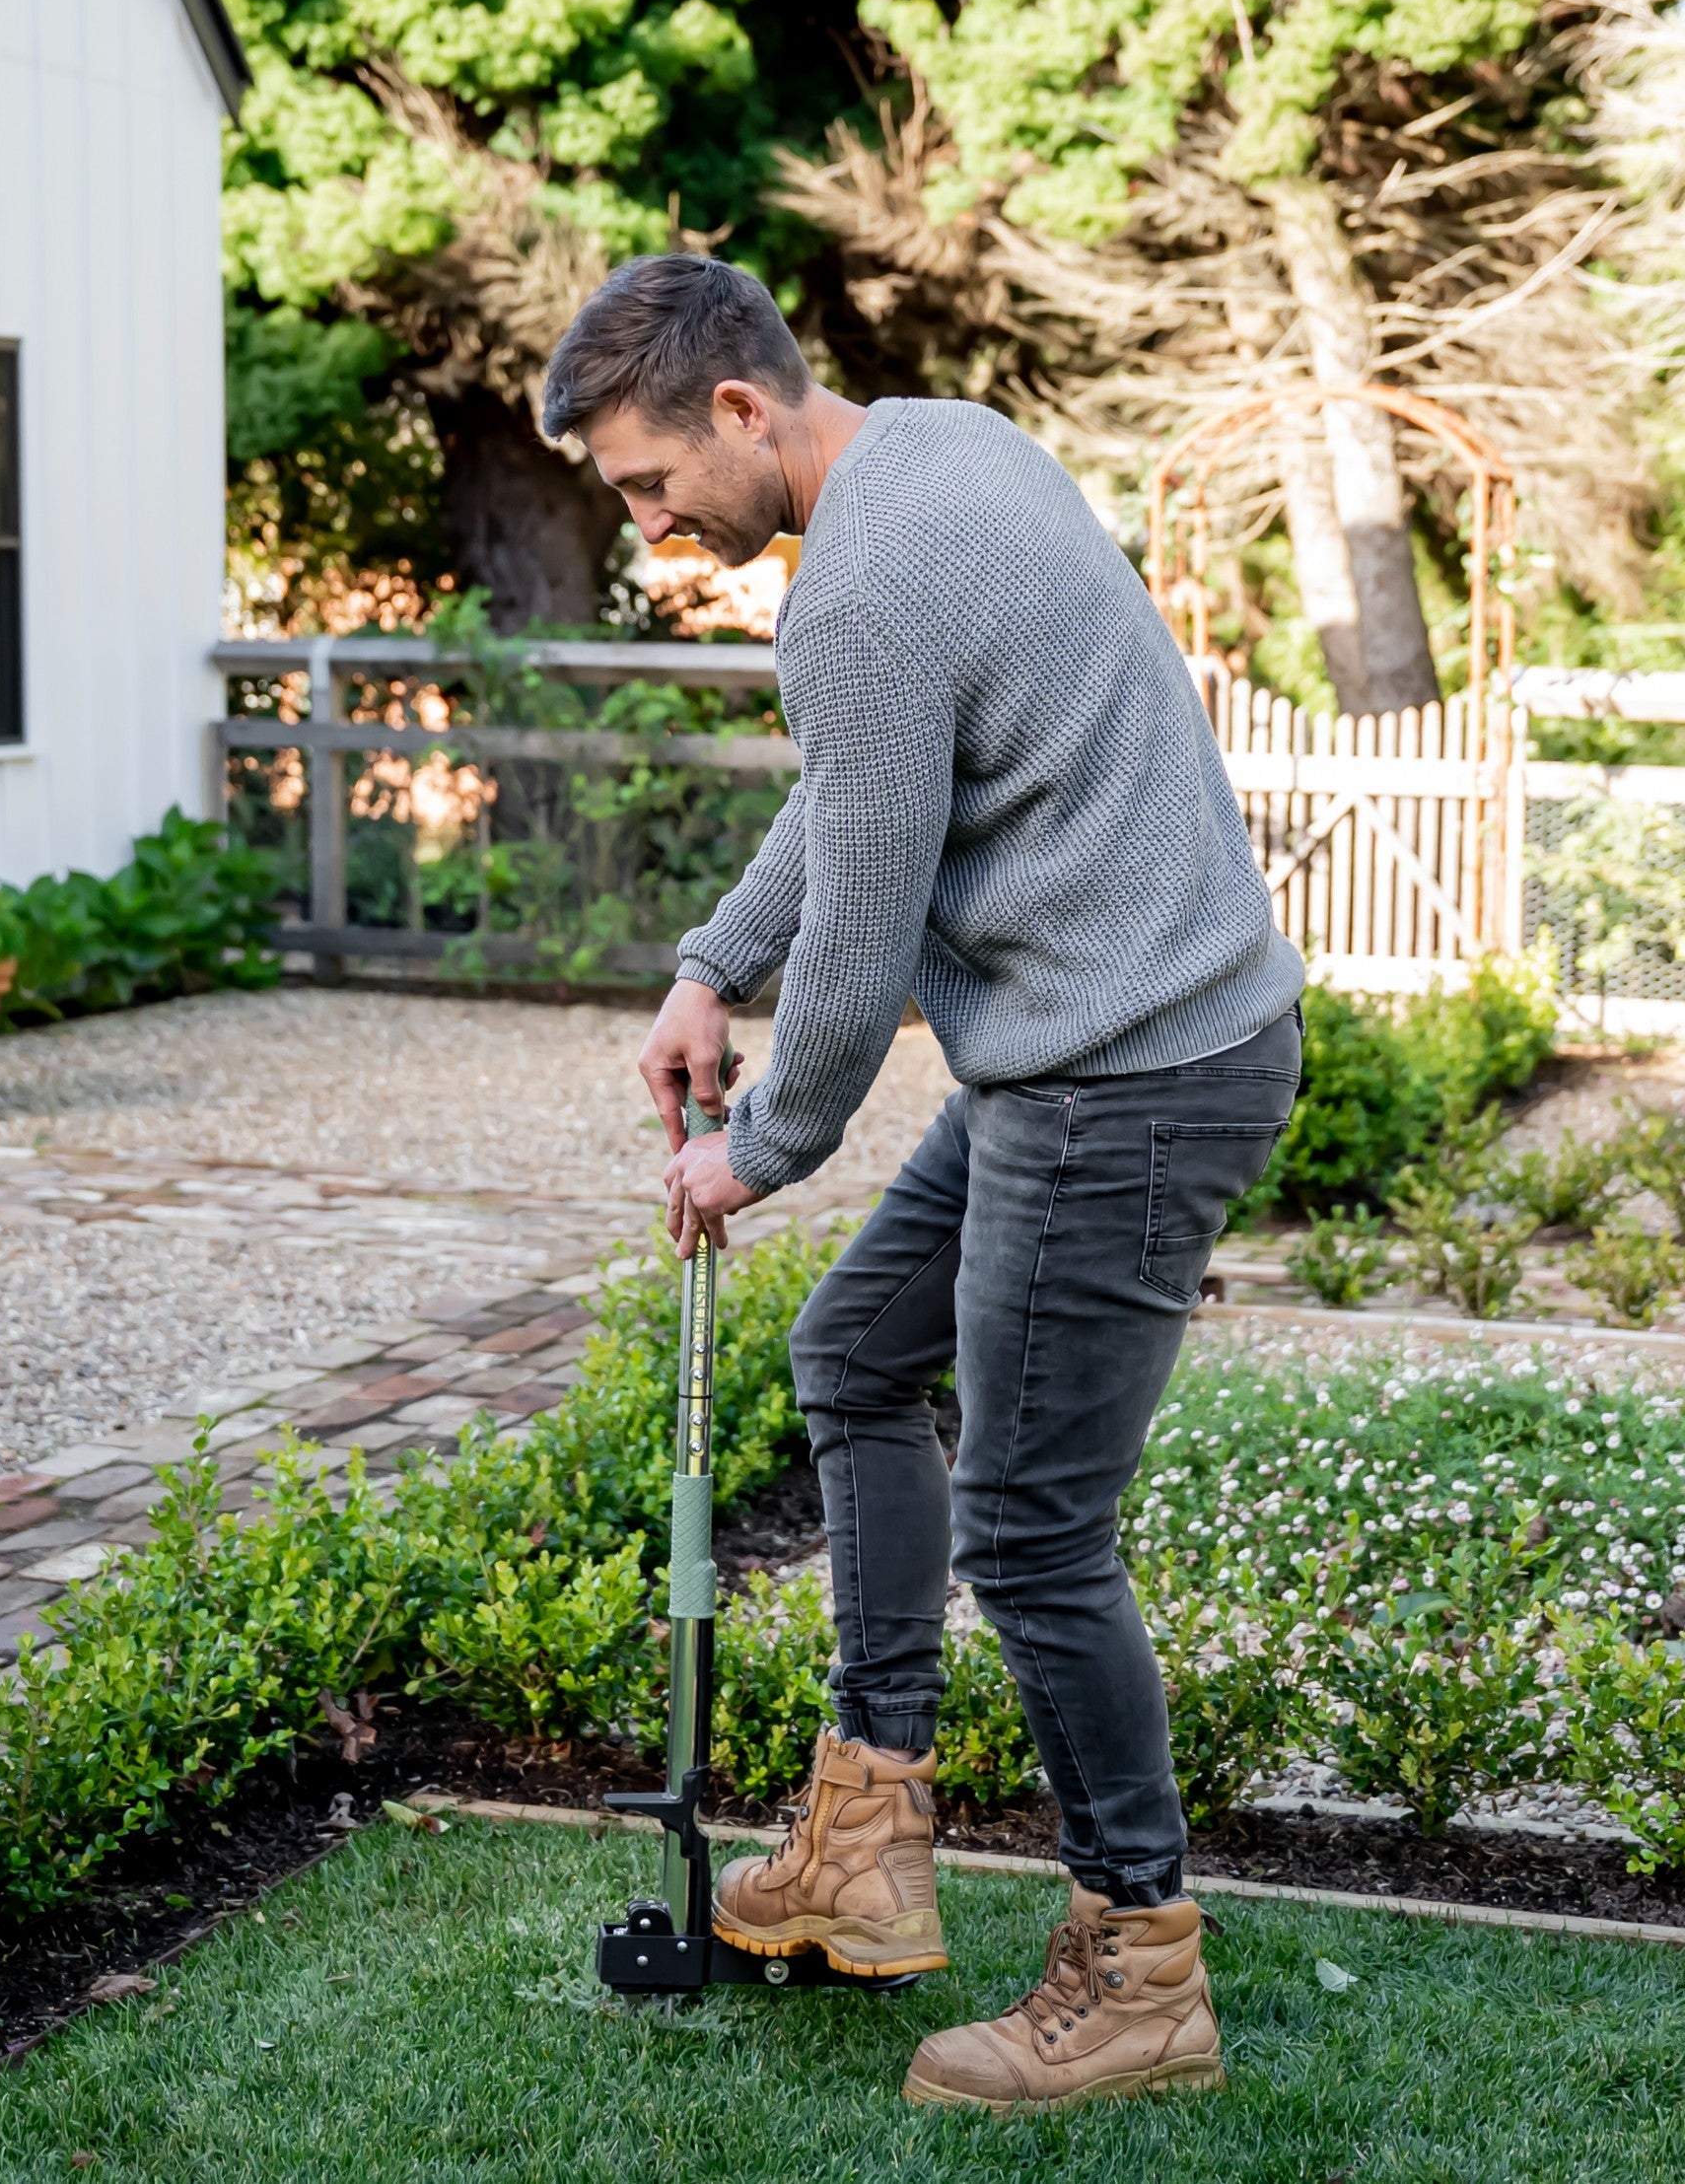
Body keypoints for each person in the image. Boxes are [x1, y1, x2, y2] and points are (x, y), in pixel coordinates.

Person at [542, 255, 1305, 2112]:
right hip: (1120, 1039)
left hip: (1125, 1076)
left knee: (1038, 1531)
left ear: (740, 408)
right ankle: (869, 1843)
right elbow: (864, 792)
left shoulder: (859, 586)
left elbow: (875, 930)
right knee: (859, 1353)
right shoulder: (944, 452)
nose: (650, 531)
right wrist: (711, 960)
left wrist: (758, 1148)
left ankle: (1142, 1971)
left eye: (650, 485)